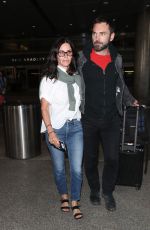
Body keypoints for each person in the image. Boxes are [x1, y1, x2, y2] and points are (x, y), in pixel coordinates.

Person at [78, 16, 139, 211]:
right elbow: (72, 83)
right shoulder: (82, 58)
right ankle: (94, 189)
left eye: (102, 34)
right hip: (88, 118)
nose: (97, 38)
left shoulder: (117, 59)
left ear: (111, 36)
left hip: (112, 119)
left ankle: (107, 191)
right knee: (90, 159)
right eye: (94, 33)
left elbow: (120, 83)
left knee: (113, 159)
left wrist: (130, 100)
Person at [39, 37, 83, 219]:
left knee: (77, 169)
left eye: (69, 52)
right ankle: (64, 196)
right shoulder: (49, 79)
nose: (65, 56)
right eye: (61, 52)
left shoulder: (77, 78)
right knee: (58, 168)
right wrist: (50, 132)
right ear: (56, 55)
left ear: (72, 55)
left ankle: (75, 201)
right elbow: (44, 108)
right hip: (55, 128)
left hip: (75, 127)